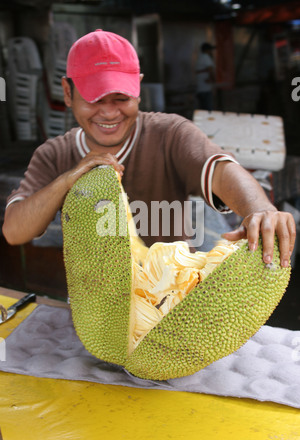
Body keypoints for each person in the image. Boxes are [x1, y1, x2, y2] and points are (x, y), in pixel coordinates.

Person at [2, 29, 296, 268]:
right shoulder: (54, 154)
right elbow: (14, 231)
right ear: (68, 92)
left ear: (138, 90)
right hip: (99, 304)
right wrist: (67, 180)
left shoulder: (170, 134)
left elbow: (220, 170)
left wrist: (259, 210)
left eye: (120, 98)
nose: (109, 113)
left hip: (172, 298)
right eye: (94, 99)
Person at [196, 42, 216, 111]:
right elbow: (210, 69)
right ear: (207, 50)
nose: (211, 51)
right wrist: (212, 79)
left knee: (203, 109)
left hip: (200, 88)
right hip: (205, 88)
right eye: (210, 50)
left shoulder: (200, 57)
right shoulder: (206, 56)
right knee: (208, 110)